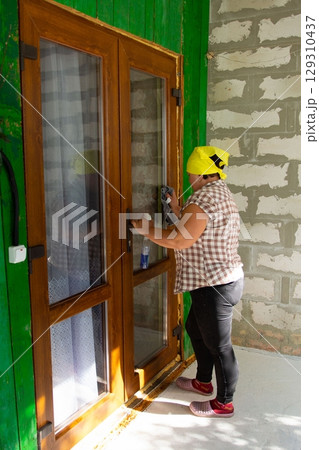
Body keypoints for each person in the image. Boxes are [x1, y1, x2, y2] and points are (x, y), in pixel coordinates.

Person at [131, 146, 244, 418]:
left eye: (192, 173)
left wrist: (145, 230)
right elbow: (193, 226)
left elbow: (181, 239)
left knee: (219, 346)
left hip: (214, 285)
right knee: (195, 327)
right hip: (218, 281)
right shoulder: (217, 193)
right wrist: (176, 209)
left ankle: (224, 403)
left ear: (203, 173)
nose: (189, 177)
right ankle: (203, 382)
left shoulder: (203, 199)